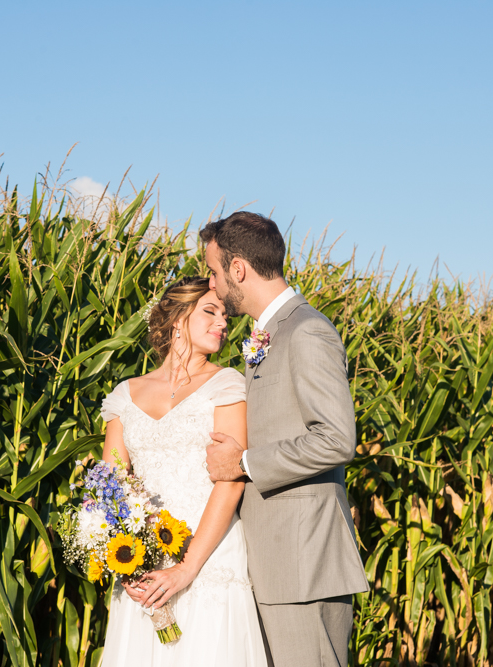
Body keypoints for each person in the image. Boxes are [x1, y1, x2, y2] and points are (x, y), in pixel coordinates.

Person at [201, 212, 370, 667]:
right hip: (272, 564)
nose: (212, 286)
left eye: (214, 273)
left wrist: (244, 464)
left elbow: (336, 439)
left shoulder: (306, 330)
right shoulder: (267, 335)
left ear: (239, 269)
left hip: (304, 566)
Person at [98, 276, 268, 667]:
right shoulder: (125, 394)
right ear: (176, 319)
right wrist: (127, 561)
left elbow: (230, 481)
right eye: (210, 311)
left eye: (225, 316)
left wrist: (187, 568)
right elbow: (111, 484)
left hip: (208, 556)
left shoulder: (227, 385)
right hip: (144, 561)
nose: (223, 323)